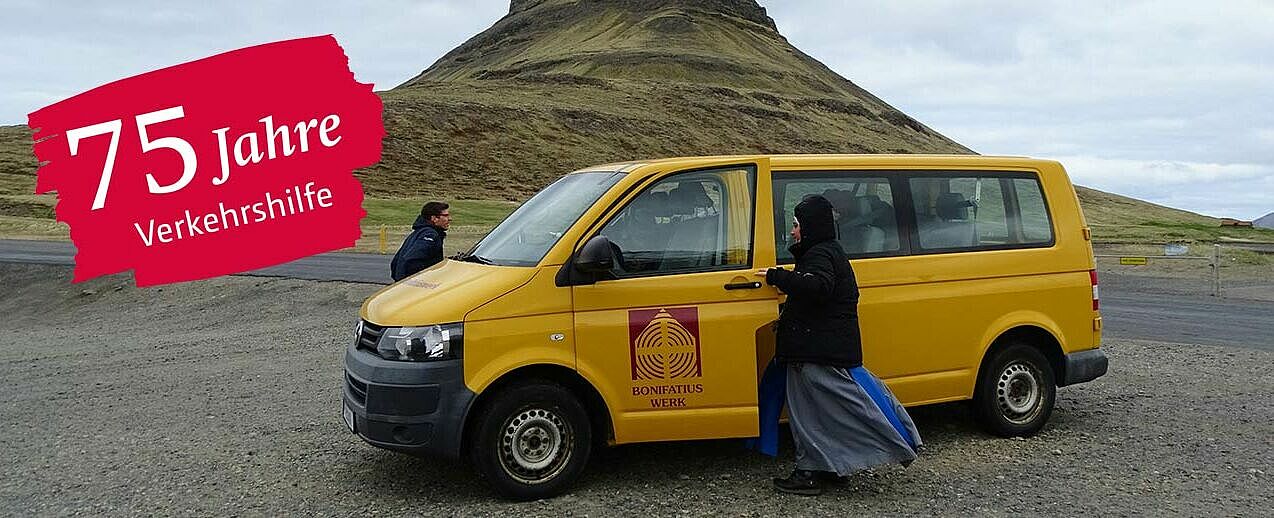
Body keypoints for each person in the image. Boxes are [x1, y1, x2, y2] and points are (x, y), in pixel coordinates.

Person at [755, 194, 921, 496]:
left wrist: (776, 277)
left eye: (796, 225)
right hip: (824, 349)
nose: (792, 232)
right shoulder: (828, 251)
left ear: (810, 226)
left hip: (816, 351)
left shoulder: (820, 255)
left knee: (807, 415)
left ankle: (808, 474)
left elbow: (818, 287)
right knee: (829, 413)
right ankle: (833, 466)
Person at [390, 201, 451, 281]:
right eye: (445, 215)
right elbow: (411, 261)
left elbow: (395, 263)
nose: (449, 219)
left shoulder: (419, 232)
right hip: (414, 287)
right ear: (434, 218)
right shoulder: (430, 235)